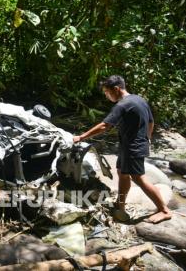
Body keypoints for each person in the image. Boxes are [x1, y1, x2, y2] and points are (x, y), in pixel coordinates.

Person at [73, 75, 171, 223]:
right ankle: (121, 204)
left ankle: (164, 210)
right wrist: (147, 139)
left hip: (133, 147)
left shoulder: (122, 105)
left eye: (107, 92)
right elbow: (151, 122)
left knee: (139, 178)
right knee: (122, 173)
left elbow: (105, 125)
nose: (106, 95)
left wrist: (81, 137)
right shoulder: (139, 99)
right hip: (131, 145)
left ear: (116, 89)